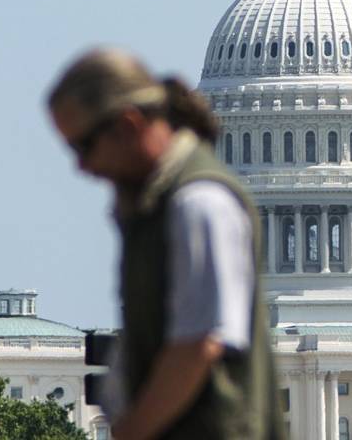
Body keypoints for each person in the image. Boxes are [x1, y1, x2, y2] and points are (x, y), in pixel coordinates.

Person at [47, 49, 284, 440]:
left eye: (83, 147)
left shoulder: (199, 203)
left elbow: (198, 345)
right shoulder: (154, 204)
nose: (82, 167)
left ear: (127, 124)